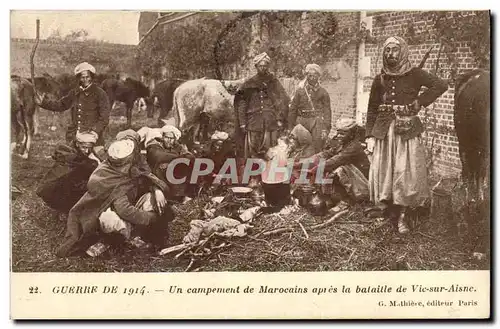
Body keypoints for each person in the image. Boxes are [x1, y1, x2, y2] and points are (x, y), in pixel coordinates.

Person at [365, 36, 448, 234]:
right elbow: (372, 109)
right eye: (387, 50)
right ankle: (385, 209)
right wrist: (369, 136)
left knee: (404, 171)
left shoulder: (415, 74)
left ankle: (402, 214)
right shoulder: (380, 79)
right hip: (384, 131)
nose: (390, 54)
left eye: (394, 50)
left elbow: (441, 85)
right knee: (384, 170)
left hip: (406, 130)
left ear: (402, 51)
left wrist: (419, 103)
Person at [55, 130, 171, 257]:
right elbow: (124, 210)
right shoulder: (107, 175)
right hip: (109, 215)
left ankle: (135, 234)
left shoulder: (125, 166)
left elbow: (148, 176)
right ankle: (116, 239)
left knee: (152, 198)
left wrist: (157, 189)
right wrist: (152, 218)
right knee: (109, 219)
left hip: (129, 207)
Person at [36, 62, 111, 146]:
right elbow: (61, 105)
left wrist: (95, 131)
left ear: (92, 77)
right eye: (82, 77)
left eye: (87, 77)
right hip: (74, 136)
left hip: (93, 137)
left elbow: (104, 118)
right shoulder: (75, 92)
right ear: (79, 78)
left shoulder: (100, 94)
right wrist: (43, 103)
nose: (85, 80)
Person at [234, 52, 290, 158]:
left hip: (270, 121)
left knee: (271, 151)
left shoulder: (273, 82)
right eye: (260, 66)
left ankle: (268, 172)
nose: (263, 68)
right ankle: (253, 172)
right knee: (252, 151)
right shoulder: (248, 84)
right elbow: (242, 104)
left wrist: (280, 118)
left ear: (268, 66)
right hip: (253, 122)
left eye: (265, 66)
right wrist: (242, 123)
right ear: (256, 67)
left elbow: (283, 99)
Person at [36, 131, 102, 220]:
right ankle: (65, 209)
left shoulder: (89, 155)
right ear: (78, 144)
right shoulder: (68, 154)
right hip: (64, 187)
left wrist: (95, 161)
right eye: (84, 147)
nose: (86, 151)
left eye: (89, 148)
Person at [309, 118, 371, 212]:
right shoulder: (342, 144)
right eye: (338, 133)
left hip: (363, 183)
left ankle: (347, 201)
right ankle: (329, 198)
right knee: (328, 169)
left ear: (352, 134)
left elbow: (336, 160)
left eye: (342, 134)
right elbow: (326, 154)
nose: (338, 136)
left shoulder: (355, 147)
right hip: (353, 179)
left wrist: (315, 169)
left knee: (338, 170)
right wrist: (307, 162)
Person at [144, 125, 195, 203]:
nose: (169, 140)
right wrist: (179, 157)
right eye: (167, 137)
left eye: (171, 138)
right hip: (155, 177)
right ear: (162, 137)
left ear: (174, 139)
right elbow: (158, 156)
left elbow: (190, 157)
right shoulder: (154, 144)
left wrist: (173, 162)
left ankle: (182, 195)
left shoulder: (177, 146)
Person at [288, 63, 332, 153]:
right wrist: (291, 127)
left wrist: (326, 129)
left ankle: (315, 166)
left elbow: (327, 112)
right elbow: (293, 109)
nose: (312, 78)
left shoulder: (323, 93)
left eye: (315, 75)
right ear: (307, 76)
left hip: (316, 122)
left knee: (317, 147)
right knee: (300, 148)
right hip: (301, 121)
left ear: (318, 76)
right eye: (309, 75)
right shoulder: (300, 91)